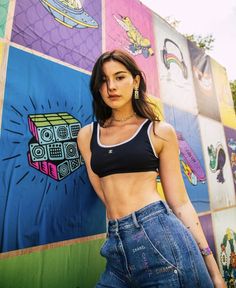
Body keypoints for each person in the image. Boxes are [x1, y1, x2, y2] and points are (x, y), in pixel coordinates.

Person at [77, 49, 225, 287]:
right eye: (103, 80)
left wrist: (213, 268)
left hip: (159, 236)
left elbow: (180, 203)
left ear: (135, 80)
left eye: (120, 77)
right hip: (115, 244)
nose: (111, 86)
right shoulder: (87, 136)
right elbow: (105, 195)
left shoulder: (158, 131)